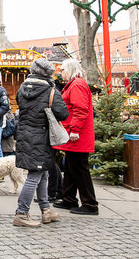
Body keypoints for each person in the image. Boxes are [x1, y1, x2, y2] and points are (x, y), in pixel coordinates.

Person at [13, 58, 69, 227]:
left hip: (24, 135)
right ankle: (21, 213)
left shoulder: (22, 88)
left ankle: (46, 210)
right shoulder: (51, 91)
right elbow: (63, 113)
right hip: (41, 137)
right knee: (34, 175)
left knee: (42, 172)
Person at [53, 59, 99, 215]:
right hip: (75, 133)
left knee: (79, 169)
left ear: (70, 70)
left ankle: (90, 203)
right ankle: (69, 198)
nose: (61, 73)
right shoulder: (75, 84)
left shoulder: (77, 85)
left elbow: (80, 109)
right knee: (72, 168)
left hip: (76, 135)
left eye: (63, 70)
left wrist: (75, 130)